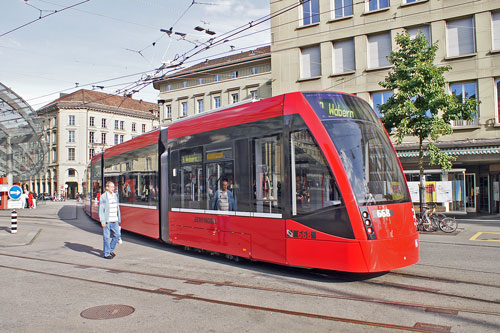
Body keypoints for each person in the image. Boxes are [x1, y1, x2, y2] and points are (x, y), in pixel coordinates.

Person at [99, 181, 121, 259]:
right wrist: (102, 221)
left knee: (117, 235)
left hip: (115, 219)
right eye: (111, 187)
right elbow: (101, 209)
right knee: (106, 237)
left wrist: (119, 218)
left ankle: (110, 249)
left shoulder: (115, 195)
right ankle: (106, 254)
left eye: (114, 187)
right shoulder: (103, 197)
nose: (113, 188)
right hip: (107, 220)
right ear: (107, 187)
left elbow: (117, 208)